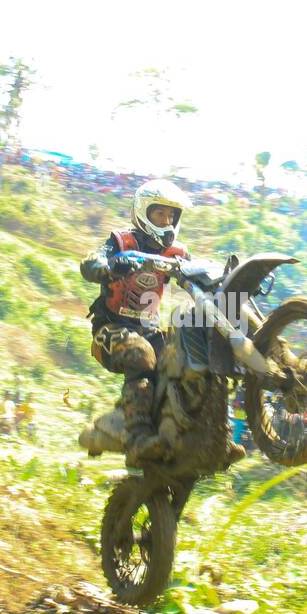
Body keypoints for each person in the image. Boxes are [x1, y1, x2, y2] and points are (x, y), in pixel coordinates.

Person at [79, 179, 193, 466]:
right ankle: (139, 436)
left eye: (171, 216)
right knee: (141, 355)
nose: (167, 221)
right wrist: (106, 267)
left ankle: (191, 432)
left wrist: (219, 280)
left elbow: (195, 276)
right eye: (160, 214)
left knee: (189, 357)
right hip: (110, 330)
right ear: (144, 212)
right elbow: (90, 260)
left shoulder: (176, 253)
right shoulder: (121, 242)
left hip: (150, 329)